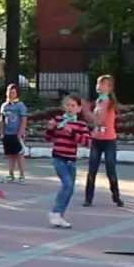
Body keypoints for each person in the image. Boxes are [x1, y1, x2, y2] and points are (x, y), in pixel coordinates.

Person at [45, 94, 93, 229]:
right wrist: (50, 128)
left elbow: (88, 142)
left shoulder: (80, 124)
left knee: (70, 188)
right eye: (67, 105)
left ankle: (59, 215)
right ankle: (55, 212)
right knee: (67, 184)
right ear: (63, 107)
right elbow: (49, 138)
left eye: (73, 106)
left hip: (71, 160)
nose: (70, 108)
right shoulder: (58, 120)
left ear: (78, 109)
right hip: (58, 158)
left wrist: (72, 133)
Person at [83, 74, 123, 207]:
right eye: (97, 83)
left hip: (109, 140)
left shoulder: (108, 102)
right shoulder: (99, 101)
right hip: (96, 139)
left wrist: (85, 110)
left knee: (110, 168)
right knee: (92, 169)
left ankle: (116, 196)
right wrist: (88, 112)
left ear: (109, 87)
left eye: (102, 84)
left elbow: (98, 120)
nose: (98, 86)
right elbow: (93, 121)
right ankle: (88, 198)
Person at [1, 84, 29, 183]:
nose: (10, 94)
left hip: (17, 134)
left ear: (17, 94)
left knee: (19, 155)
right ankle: (10, 174)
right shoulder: (4, 106)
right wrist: (2, 132)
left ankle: (22, 176)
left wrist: (21, 132)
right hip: (7, 134)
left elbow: (24, 119)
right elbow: (2, 120)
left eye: (12, 92)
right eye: (9, 92)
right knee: (10, 155)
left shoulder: (20, 105)